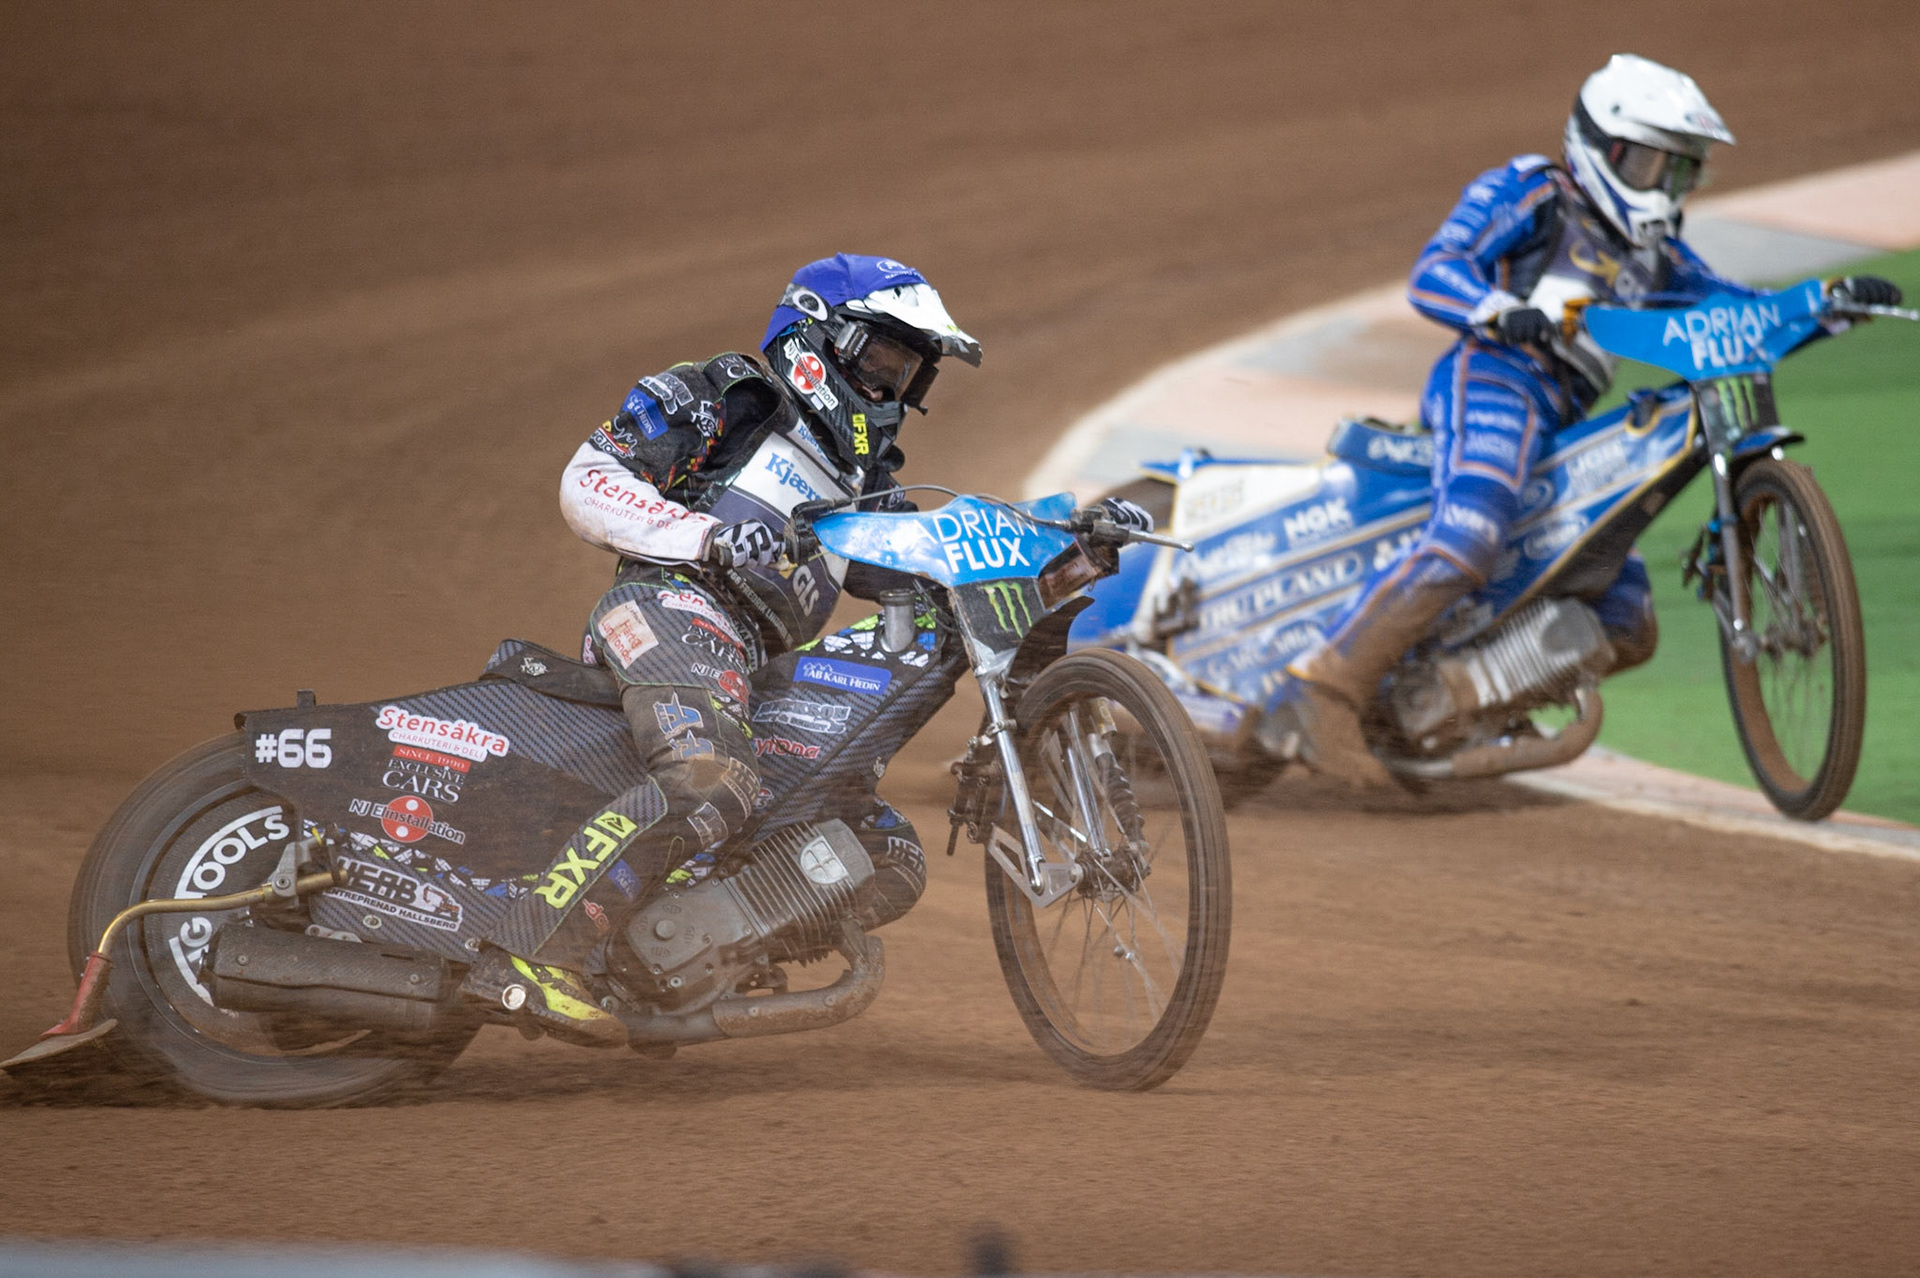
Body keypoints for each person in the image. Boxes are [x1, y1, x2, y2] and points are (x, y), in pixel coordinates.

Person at [1262, 53, 1903, 787]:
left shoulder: (1659, 258)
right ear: (1603, 147)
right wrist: (1496, 310)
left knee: (1628, 616)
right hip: (1493, 379)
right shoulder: (1536, 190)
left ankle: (1451, 702)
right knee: (1471, 534)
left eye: (1680, 171)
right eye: (1652, 165)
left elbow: (1736, 312)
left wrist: (1828, 306)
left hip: (1563, 423)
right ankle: (1319, 692)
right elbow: (1435, 268)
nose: (1664, 189)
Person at [460, 254, 984, 1043]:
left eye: (908, 375)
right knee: (715, 781)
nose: (890, 391)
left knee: (886, 851)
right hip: (668, 609)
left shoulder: (867, 482)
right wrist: (703, 536)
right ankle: (528, 950)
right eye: (882, 361)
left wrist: (1070, 549)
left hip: (750, 668)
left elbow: (942, 563)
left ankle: (688, 958)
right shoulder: (732, 395)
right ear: (821, 340)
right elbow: (588, 475)